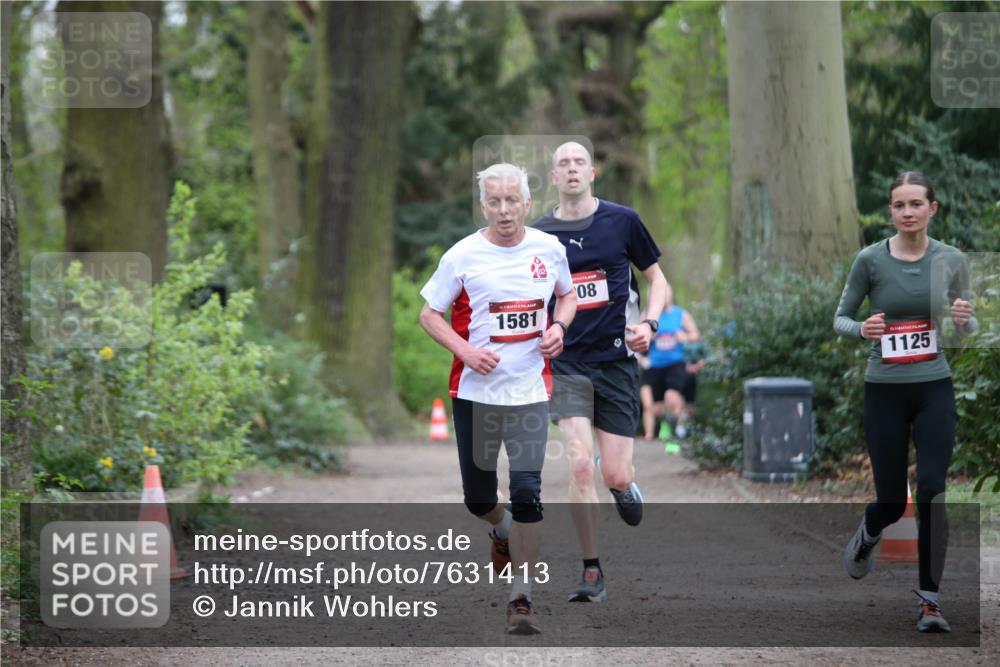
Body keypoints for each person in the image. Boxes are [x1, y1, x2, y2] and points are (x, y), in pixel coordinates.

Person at [419, 163, 576, 635]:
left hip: (529, 392)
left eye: (513, 200)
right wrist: (465, 350)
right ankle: (502, 529)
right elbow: (429, 314)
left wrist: (558, 327)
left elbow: (567, 297)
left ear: (527, 203)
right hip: (476, 394)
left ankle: (521, 597)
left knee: (529, 492)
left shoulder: (548, 249)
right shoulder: (462, 255)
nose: (504, 210)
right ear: (483, 205)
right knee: (478, 498)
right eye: (495, 201)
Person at [835, 171, 976, 633]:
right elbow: (840, 318)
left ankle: (930, 602)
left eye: (917, 203)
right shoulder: (870, 260)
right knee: (893, 502)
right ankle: (869, 533)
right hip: (885, 390)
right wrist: (863, 330)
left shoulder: (951, 260)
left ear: (932, 209)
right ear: (891, 211)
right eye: (900, 205)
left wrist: (962, 319)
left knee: (933, 492)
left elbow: (965, 328)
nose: (908, 212)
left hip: (934, 386)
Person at [532, 141, 670, 603]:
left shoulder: (622, 221)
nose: (571, 170)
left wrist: (649, 324)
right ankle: (592, 570)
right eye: (562, 164)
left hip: (616, 363)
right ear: (553, 177)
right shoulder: (540, 234)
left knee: (612, 472)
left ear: (592, 172)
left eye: (578, 163)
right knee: (577, 464)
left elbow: (657, 280)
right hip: (566, 363)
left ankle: (624, 486)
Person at [641, 304, 701, 451]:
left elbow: (696, 334)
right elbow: (636, 336)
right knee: (654, 407)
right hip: (654, 365)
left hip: (675, 364)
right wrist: (646, 339)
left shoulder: (680, 314)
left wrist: (685, 337)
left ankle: (676, 435)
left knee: (672, 397)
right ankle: (661, 429)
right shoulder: (647, 314)